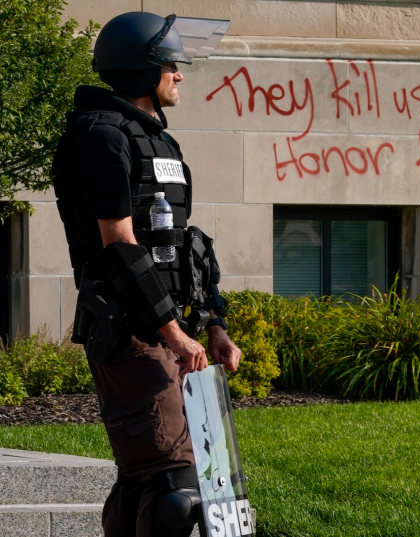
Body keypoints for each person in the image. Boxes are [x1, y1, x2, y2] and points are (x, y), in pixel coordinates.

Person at [51, 12, 241, 537]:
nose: (179, 74)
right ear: (140, 71)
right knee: (175, 485)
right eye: (169, 65)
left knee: (149, 478)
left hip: (166, 329)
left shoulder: (156, 140)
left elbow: (182, 247)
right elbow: (119, 245)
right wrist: (173, 333)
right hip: (129, 334)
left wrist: (214, 323)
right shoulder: (101, 137)